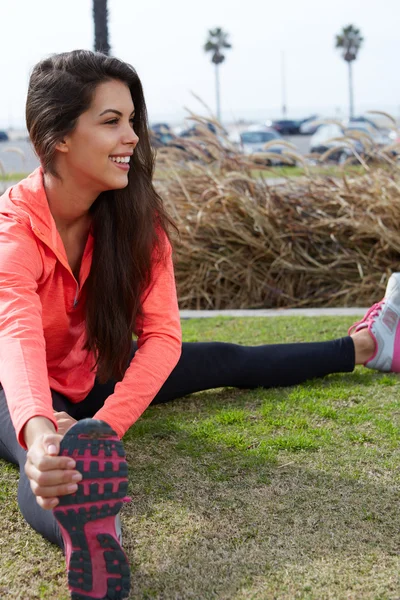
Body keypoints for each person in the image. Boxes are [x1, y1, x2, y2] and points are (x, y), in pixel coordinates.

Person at [0, 49, 398, 600]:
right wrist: (42, 432)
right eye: (111, 121)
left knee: (222, 359)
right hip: (17, 390)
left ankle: (370, 344)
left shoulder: (138, 219)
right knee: (41, 463)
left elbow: (163, 337)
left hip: (94, 377)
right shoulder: (12, 232)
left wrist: (104, 430)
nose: (133, 136)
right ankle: (92, 532)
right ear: (57, 136)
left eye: (133, 120)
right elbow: (15, 338)